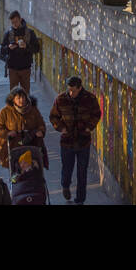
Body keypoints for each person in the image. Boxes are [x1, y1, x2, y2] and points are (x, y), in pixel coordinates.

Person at [49, 75, 102, 204]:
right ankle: (65, 185)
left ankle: (80, 199)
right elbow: (53, 116)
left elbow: (97, 113)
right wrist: (61, 128)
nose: (71, 93)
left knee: (82, 171)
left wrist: (90, 127)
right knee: (67, 168)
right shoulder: (61, 99)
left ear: (80, 88)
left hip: (83, 141)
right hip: (67, 141)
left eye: (73, 90)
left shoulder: (89, 99)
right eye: (69, 90)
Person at [0, 86, 46, 172]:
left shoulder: (33, 110)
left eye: (23, 97)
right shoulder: (5, 111)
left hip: (31, 144)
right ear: (13, 100)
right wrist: (7, 133)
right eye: (18, 98)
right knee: (15, 170)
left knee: (32, 169)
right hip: (13, 146)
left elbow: (41, 124)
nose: (21, 100)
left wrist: (40, 131)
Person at [1, 11, 39, 94]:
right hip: (12, 68)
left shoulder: (30, 33)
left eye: (16, 22)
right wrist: (8, 48)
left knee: (25, 94)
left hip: (25, 68)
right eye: (12, 23)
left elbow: (37, 48)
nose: (14, 24)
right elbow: (2, 50)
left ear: (20, 19)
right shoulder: (8, 33)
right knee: (13, 94)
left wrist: (26, 46)